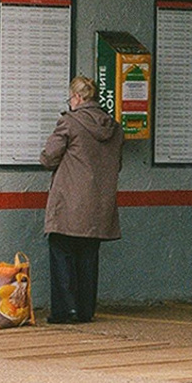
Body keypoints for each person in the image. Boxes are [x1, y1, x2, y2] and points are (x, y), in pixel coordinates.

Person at [39, 74, 122, 323]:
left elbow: (48, 158)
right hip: (100, 204)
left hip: (69, 202)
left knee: (62, 252)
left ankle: (66, 310)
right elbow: (117, 164)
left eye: (70, 98)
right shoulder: (114, 128)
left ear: (77, 97)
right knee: (88, 256)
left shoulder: (70, 123)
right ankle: (85, 310)